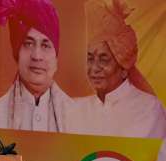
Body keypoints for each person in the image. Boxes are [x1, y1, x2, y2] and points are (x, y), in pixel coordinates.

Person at [66, 0, 166, 138]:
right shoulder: (74, 110)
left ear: (124, 68)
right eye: (90, 59)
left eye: (103, 59)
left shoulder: (149, 110)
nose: (94, 68)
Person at [0, 0, 72, 131]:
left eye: (45, 45)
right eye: (28, 44)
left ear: (56, 56)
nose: (37, 56)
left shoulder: (77, 115)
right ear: (16, 52)